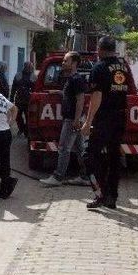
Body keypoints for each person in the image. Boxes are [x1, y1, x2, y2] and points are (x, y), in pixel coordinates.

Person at [81, 36, 130, 210]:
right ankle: (112, 197)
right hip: (120, 117)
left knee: (89, 156)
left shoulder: (99, 67)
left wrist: (87, 122)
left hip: (104, 119)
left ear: (100, 49)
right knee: (114, 157)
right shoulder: (123, 67)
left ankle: (100, 194)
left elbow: (97, 96)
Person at [40, 52, 90, 187]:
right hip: (74, 118)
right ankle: (85, 177)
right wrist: (56, 92)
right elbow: (70, 95)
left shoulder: (76, 79)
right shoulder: (71, 78)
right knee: (80, 149)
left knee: (63, 148)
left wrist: (76, 119)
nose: (63, 63)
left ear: (74, 63)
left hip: (72, 119)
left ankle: (58, 177)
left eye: (66, 61)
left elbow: (81, 99)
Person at [10, 62, 35, 137]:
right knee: (17, 116)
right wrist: (11, 98)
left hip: (29, 100)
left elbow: (36, 88)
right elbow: (14, 88)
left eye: (31, 67)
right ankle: (22, 128)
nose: (30, 69)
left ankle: (26, 132)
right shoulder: (18, 75)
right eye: (29, 67)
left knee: (28, 117)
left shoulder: (33, 76)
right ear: (25, 67)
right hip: (19, 99)